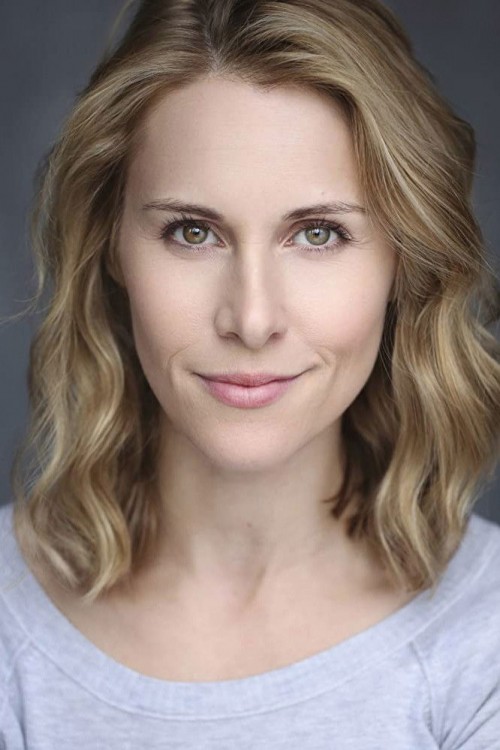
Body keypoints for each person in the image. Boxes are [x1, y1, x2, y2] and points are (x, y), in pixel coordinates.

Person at [1, 0, 499, 746]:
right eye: (192, 232)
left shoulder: (484, 640)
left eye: (319, 233)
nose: (253, 318)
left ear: (405, 260)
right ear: (111, 247)